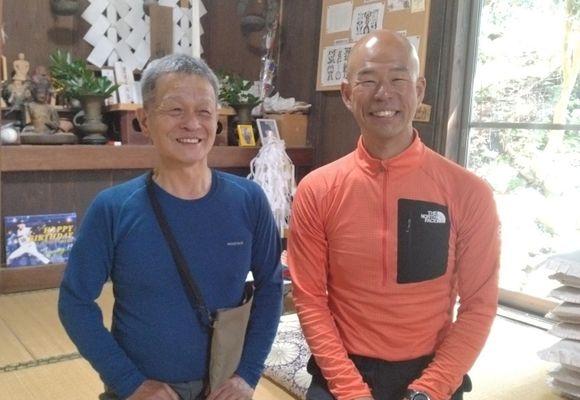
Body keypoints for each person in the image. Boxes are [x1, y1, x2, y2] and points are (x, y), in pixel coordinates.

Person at [287, 30, 500, 400]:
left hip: (431, 371)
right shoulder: (317, 189)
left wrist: (430, 389)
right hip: (342, 370)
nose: (383, 93)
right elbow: (309, 298)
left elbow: (479, 305)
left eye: (398, 79)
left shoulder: (469, 192)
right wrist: (350, 390)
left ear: (419, 89)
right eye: (368, 80)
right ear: (347, 94)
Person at [58, 53, 283, 400]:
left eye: (204, 111)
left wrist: (248, 375)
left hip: (224, 386)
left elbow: (271, 286)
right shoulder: (114, 208)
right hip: (142, 389)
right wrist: (129, 382)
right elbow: (75, 302)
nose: (192, 123)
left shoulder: (248, 200)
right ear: (144, 120)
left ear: (217, 121)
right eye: (175, 109)